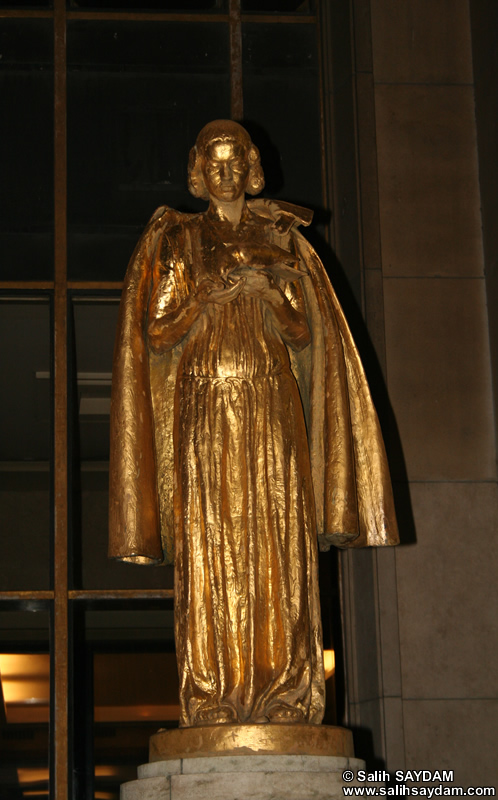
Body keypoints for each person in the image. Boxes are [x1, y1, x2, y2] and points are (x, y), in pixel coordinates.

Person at [109, 120, 399, 728]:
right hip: (205, 409)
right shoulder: (179, 238)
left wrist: (269, 294)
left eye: (234, 162)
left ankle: (286, 692)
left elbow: (305, 333)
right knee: (210, 542)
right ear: (198, 170)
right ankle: (213, 696)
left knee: (276, 539)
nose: (224, 173)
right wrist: (199, 301)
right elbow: (154, 333)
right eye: (213, 163)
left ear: (250, 168)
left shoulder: (284, 237)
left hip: (271, 403)